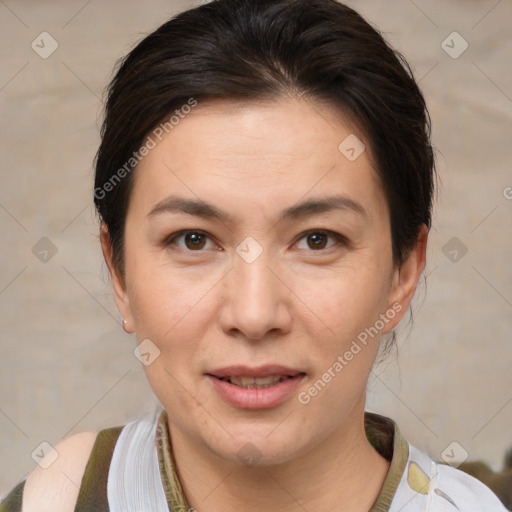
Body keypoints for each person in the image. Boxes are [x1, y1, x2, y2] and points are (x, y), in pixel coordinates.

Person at [0, 0, 507, 510]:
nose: (255, 314)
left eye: (317, 239)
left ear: (404, 270)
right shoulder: (57, 499)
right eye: (193, 239)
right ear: (119, 274)